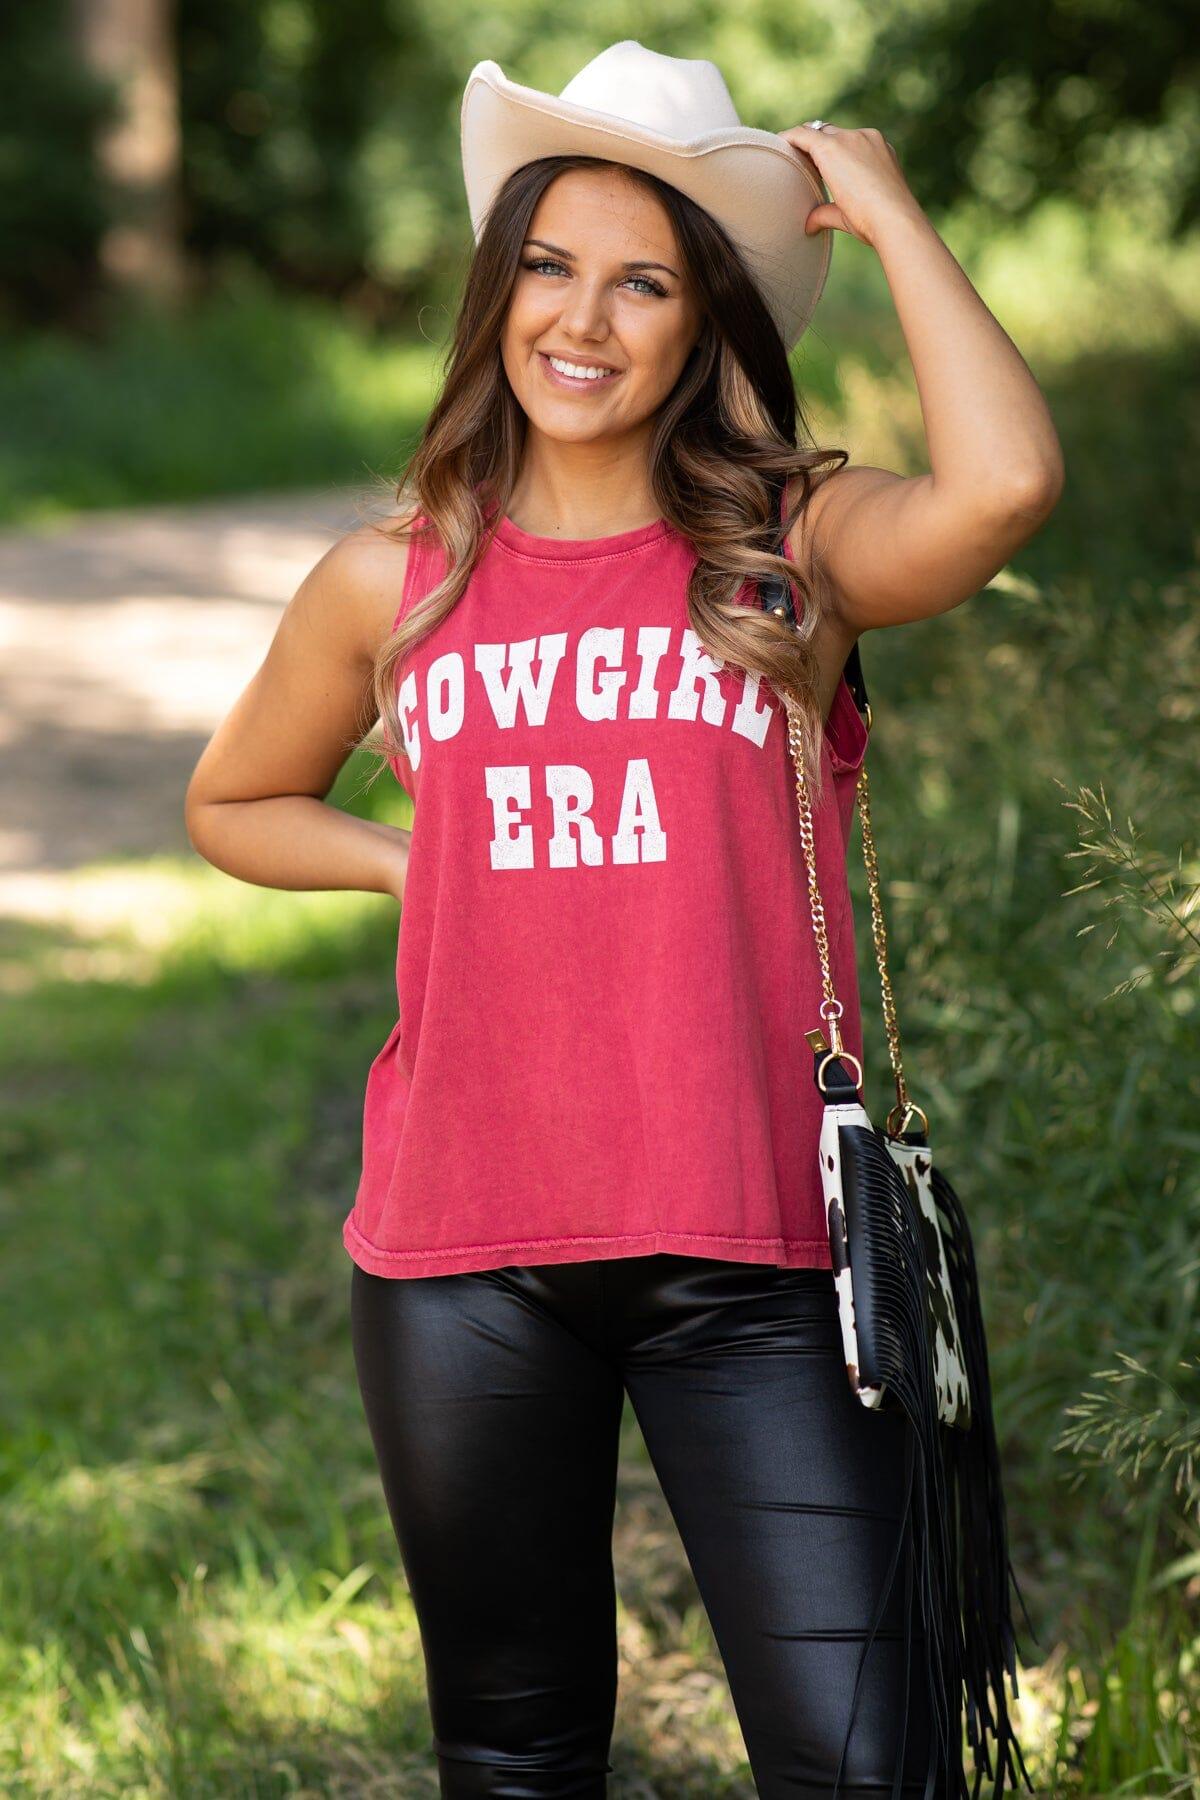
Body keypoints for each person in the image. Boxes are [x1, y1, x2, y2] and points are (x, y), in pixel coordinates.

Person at [184, 39, 1062, 1800]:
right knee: (514, 1757)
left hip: (758, 1252)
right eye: (548, 266)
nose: (581, 320)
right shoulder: (392, 577)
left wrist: (892, 217)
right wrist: (412, 863)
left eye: (644, 281)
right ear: (496, 293)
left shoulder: (786, 554)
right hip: (462, 1256)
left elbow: (1002, 491)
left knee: (868, 1765)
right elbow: (234, 802)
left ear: (705, 319)